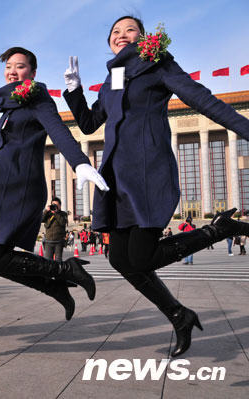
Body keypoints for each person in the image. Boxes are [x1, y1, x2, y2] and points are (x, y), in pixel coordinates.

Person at [63, 15, 249, 356]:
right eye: (115, 32)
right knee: (121, 258)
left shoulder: (156, 63)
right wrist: (74, 92)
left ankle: (217, 229)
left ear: (144, 37)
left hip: (147, 169)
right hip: (116, 176)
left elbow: (201, 99)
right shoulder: (113, 78)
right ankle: (179, 315)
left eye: (129, 30)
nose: (121, 36)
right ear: (109, 43)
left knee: (142, 256)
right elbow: (90, 124)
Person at [0, 47, 109, 321]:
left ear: (33, 73)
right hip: (2, 187)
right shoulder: (10, 106)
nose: (12, 71)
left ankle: (67, 272)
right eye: (9, 66)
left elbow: (58, 130)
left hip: (19, 188)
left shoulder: (37, 100)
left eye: (20, 66)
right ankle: (59, 288)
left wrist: (80, 162)